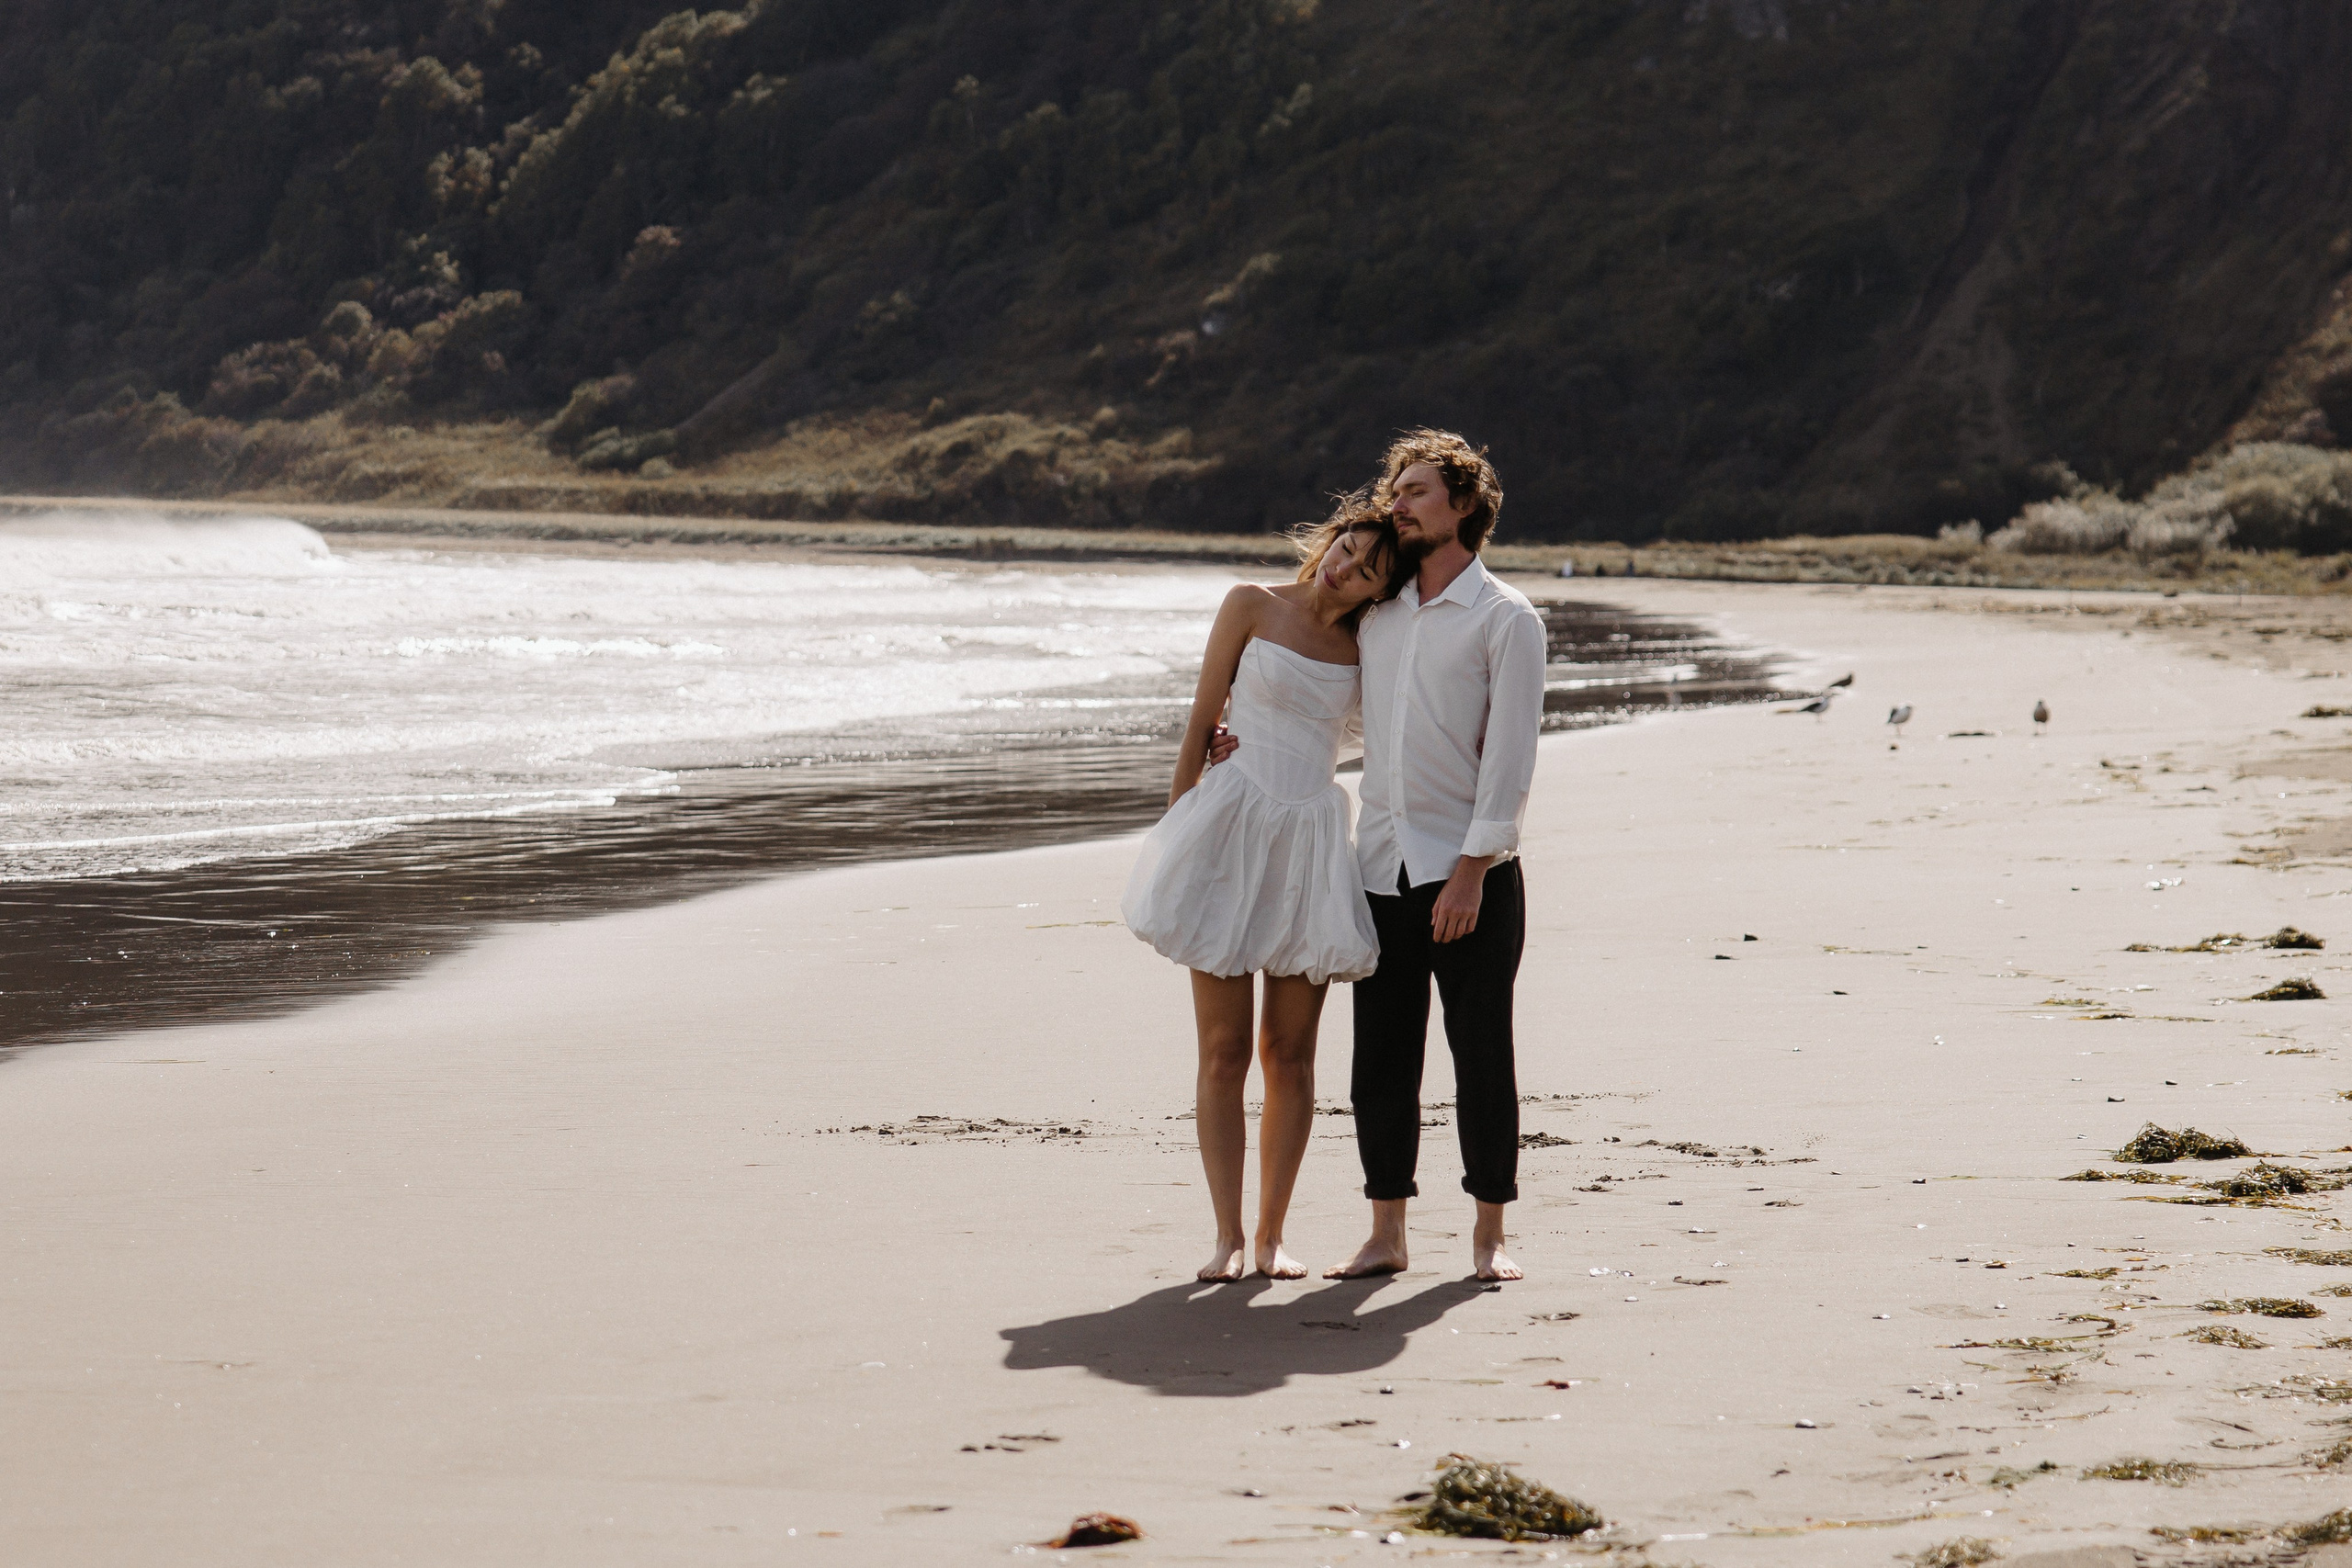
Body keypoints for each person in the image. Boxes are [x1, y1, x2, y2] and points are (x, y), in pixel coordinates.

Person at [1122, 501, 1407, 1281]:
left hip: (1308, 843)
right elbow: (1200, 721)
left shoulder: (1368, 648)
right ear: (1332, 538)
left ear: (1380, 593)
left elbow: (1394, 730)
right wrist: (1179, 825)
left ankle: (1272, 1235)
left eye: (1369, 571)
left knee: (1290, 1055)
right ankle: (1227, 1238)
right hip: (1228, 829)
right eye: (1348, 548)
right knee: (1224, 1051)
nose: (1346, 569)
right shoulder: (1250, 603)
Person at [1323, 430, 1546, 1284]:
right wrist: (1257, 744)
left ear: (1464, 505)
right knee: (1380, 1060)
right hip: (1379, 866)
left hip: (1470, 877)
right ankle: (1387, 1232)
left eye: (1415, 490)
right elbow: (1357, 729)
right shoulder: (1378, 616)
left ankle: (1490, 1236)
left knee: (1481, 1054)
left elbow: (1510, 760)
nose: (1398, 503)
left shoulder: (1506, 619)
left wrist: (1471, 870)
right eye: (1397, 489)